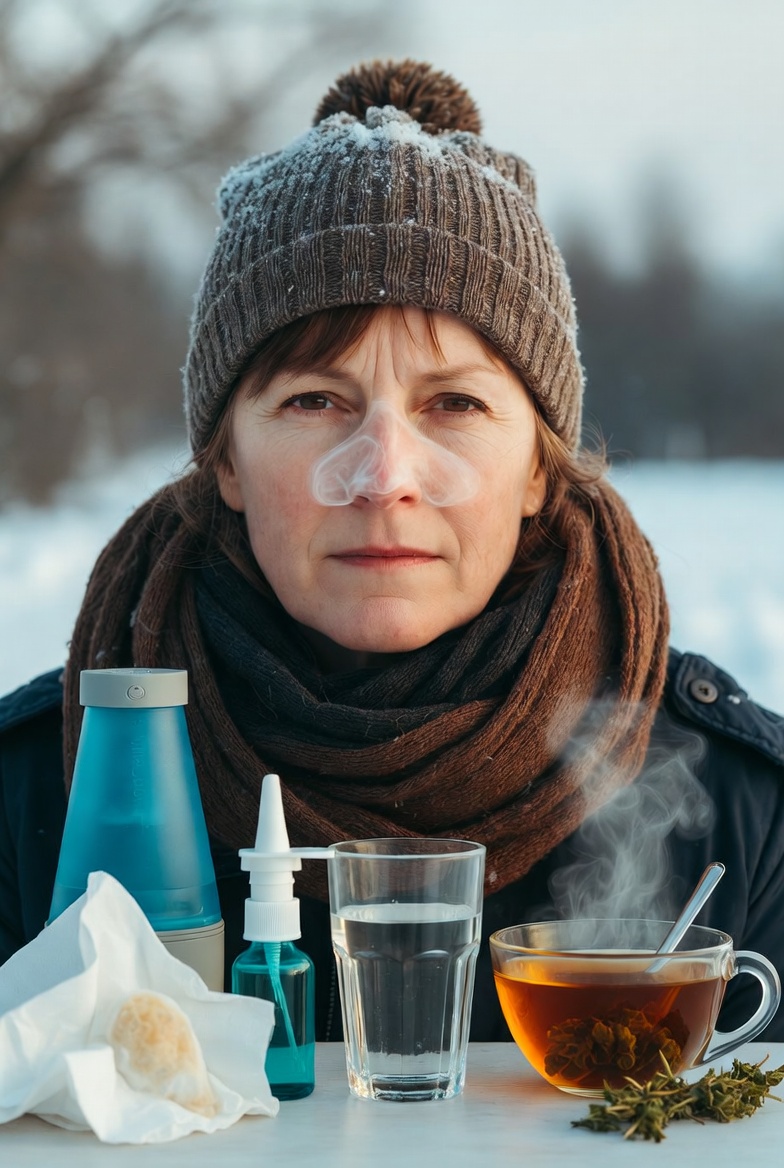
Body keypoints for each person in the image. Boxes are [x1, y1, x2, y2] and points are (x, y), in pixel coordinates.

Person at [2, 59, 783, 1042]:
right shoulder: (42, 791)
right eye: (313, 401)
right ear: (227, 464)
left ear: (540, 469)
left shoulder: (740, 811)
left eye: (452, 403)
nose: (383, 474)